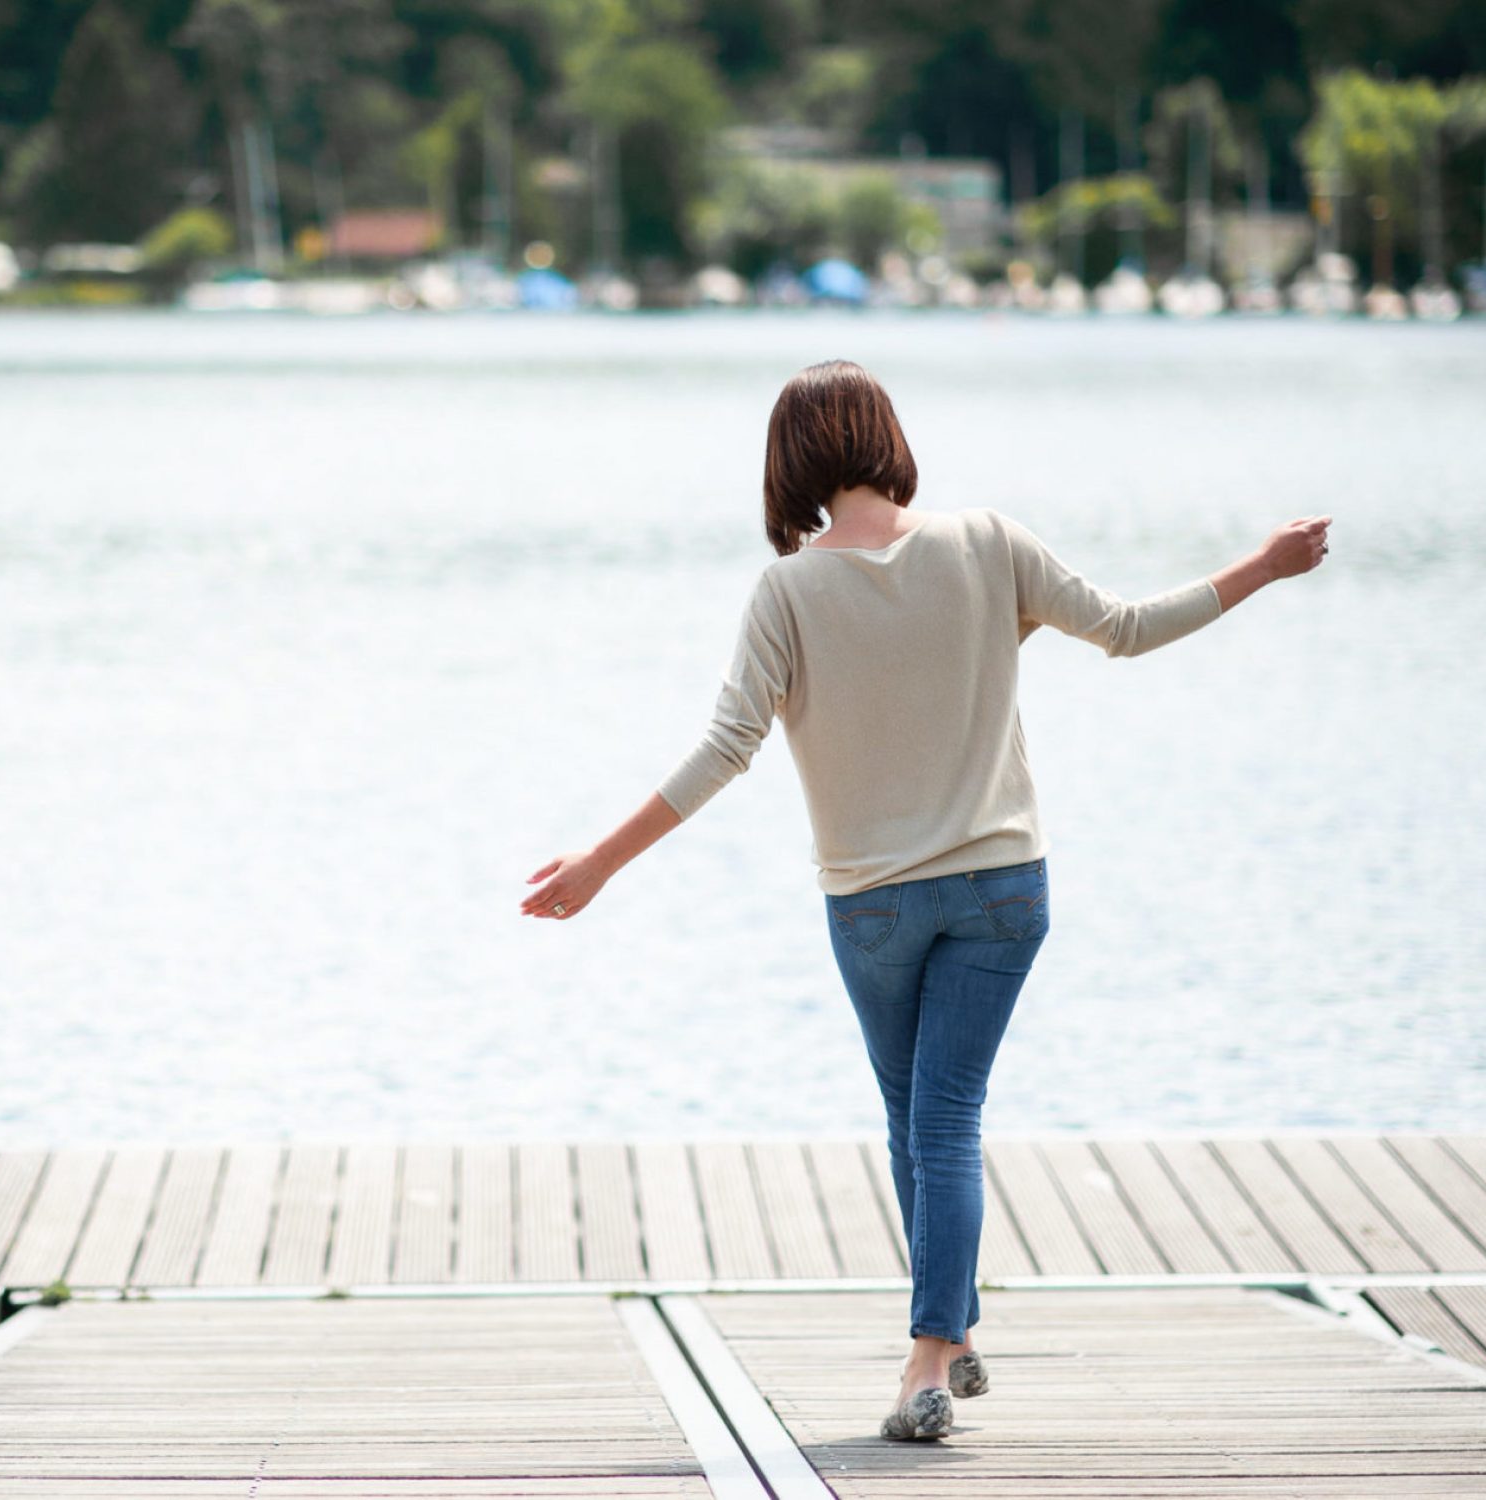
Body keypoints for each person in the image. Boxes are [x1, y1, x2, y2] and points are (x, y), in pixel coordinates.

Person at [519, 358, 1331, 1441]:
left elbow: (726, 750)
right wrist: (1263, 567)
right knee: (930, 1123)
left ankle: (921, 1368)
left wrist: (598, 864)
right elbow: (1129, 628)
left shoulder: (788, 590)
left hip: (873, 909)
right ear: (886, 439)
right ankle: (948, 1338)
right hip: (1002, 890)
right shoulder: (988, 543)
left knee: (926, 1122)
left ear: (790, 463)